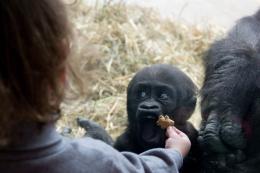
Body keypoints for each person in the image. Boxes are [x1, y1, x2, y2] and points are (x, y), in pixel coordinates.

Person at [0, 0, 191, 173]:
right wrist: (174, 153)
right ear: (61, 74)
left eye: (162, 97)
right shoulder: (96, 160)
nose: (148, 105)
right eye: (141, 94)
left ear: (189, 107)